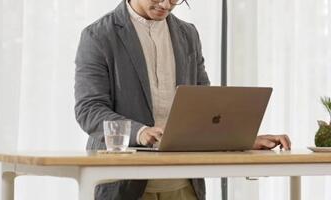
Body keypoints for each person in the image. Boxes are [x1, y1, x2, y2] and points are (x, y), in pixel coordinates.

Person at [74, 0, 291, 199]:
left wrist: (241, 140)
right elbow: (89, 109)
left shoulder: (188, 34)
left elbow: (206, 108)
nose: (166, 4)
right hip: (123, 185)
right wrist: (141, 132)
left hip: (184, 184)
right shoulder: (99, 36)